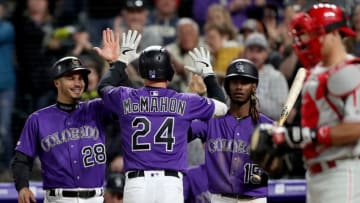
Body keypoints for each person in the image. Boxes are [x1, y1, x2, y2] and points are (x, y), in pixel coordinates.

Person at [94, 28, 228, 203]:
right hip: (170, 183)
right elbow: (222, 107)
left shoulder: (127, 98)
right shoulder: (185, 101)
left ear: (142, 70)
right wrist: (209, 75)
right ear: (169, 72)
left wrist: (121, 61)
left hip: (137, 183)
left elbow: (104, 87)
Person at [250, 3, 360, 203]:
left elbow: (355, 128)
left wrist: (300, 135)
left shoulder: (350, 72)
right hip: (315, 172)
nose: (307, 42)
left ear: (335, 34)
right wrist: (286, 144)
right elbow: (314, 132)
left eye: (314, 34)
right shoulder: (313, 75)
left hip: (343, 172)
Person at [11, 56, 130, 203]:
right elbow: (21, 159)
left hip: (95, 198)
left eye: (80, 78)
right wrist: (23, 187)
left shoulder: (97, 108)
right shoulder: (37, 119)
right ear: (57, 82)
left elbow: (130, 102)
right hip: (59, 199)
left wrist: (116, 64)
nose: (77, 83)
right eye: (71, 78)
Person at [187, 59, 273, 203]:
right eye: (234, 82)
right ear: (227, 86)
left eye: (244, 82)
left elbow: (282, 164)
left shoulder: (268, 126)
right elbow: (179, 131)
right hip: (220, 199)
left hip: (254, 199)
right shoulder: (211, 121)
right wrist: (194, 99)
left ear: (253, 87)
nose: (239, 87)